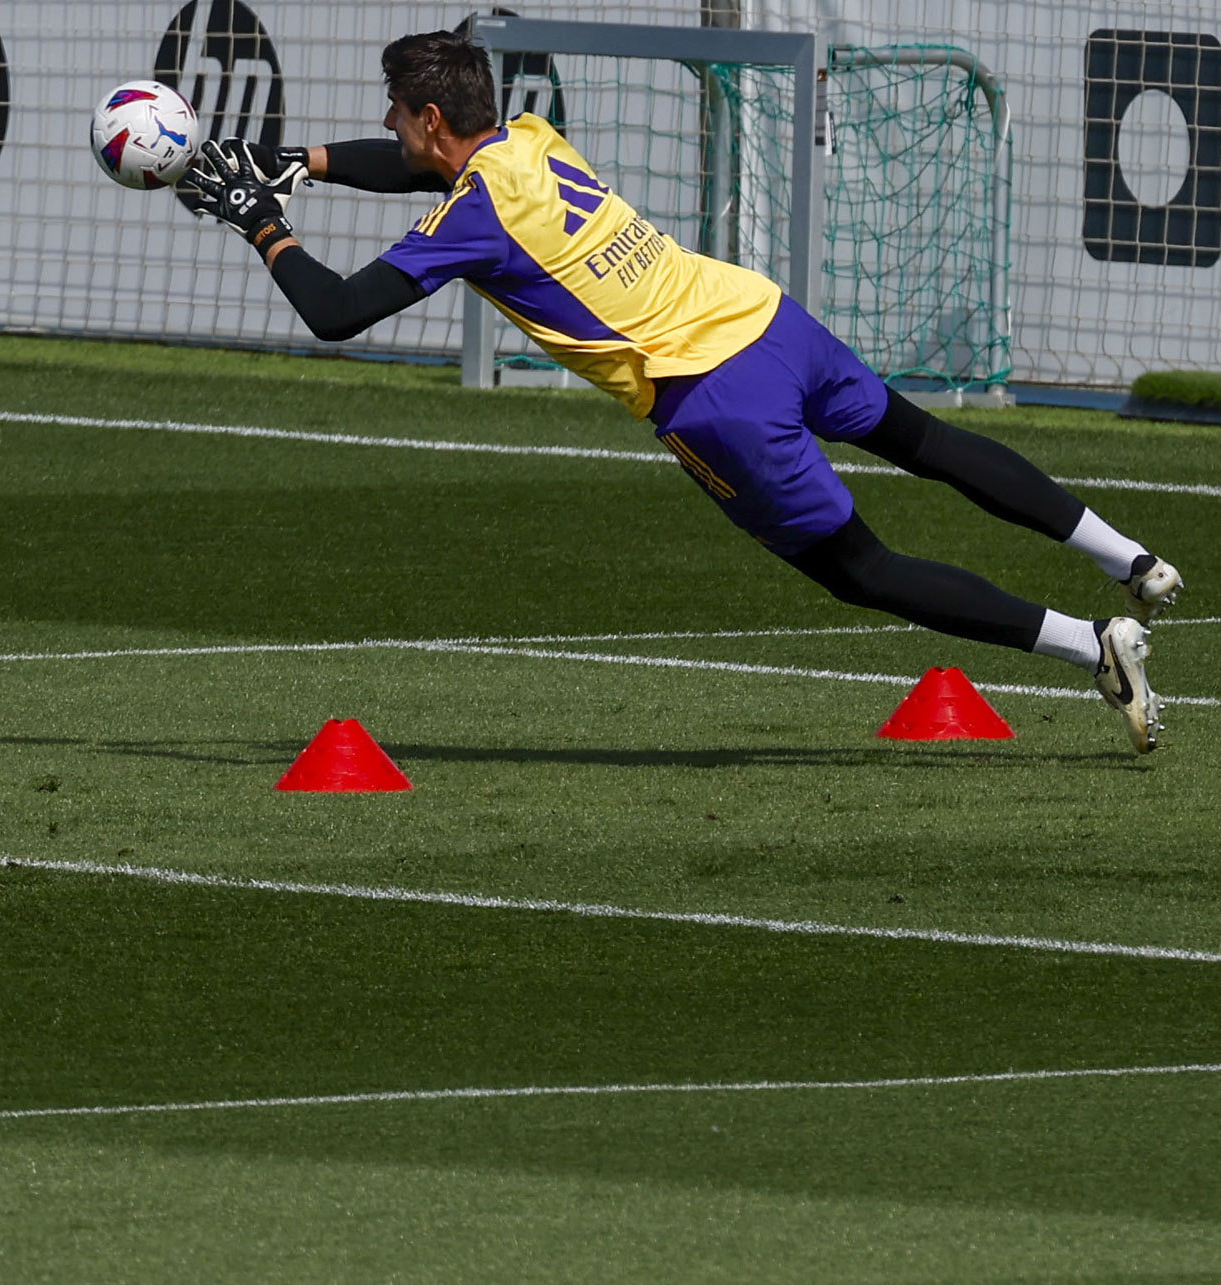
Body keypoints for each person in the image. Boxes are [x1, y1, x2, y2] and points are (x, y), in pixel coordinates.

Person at [187, 30, 1182, 753]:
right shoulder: (530, 136)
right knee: (919, 438)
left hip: (714, 398)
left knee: (860, 569)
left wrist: (261, 225)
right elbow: (418, 174)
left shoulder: (472, 215)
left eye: (396, 116)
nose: (388, 130)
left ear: (432, 117)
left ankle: (1091, 644)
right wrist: (297, 162)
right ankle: (1126, 556)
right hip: (764, 319)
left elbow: (338, 312)